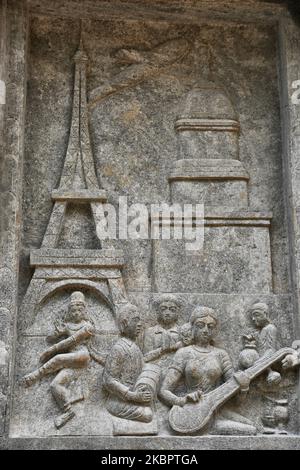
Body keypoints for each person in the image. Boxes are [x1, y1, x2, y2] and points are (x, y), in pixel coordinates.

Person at [159, 306, 257, 435]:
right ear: (192, 328)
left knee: (252, 426)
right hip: (190, 411)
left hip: (215, 410)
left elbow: (235, 398)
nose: (205, 330)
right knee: (249, 431)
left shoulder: (221, 355)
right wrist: (182, 400)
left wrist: (243, 389)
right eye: (200, 325)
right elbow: (164, 391)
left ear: (215, 330)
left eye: (210, 327)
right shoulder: (184, 353)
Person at [22, 291, 95, 428]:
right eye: (73, 310)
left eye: (79, 310)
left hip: (82, 356)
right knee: (55, 385)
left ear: (84, 311)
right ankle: (67, 411)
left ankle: (36, 375)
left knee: (59, 358)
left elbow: (71, 341)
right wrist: (57, 331)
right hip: (71, 363)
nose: (76, 313)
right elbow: (49, 338)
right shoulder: (68, 325)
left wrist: (52, 349)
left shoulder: (88, 327)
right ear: (69, 311)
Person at [103, 303, 160, 423]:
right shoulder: (119, 348)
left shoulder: (134, 347)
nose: (140, 324)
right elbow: (109, 380)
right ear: (124, 324)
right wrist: (131, 395)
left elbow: (142, 366)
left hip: (135, 396)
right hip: (118, 401)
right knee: (147, 415)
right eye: (135, 320)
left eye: (140, 320)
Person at [143, 294, 184, 363]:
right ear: (157, 311)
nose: (167, 313)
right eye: (163, 309)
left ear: (177, 312)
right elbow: (146, 356)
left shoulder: (182, 331)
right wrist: (164, 349)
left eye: (172, 310)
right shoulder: (150, 332)